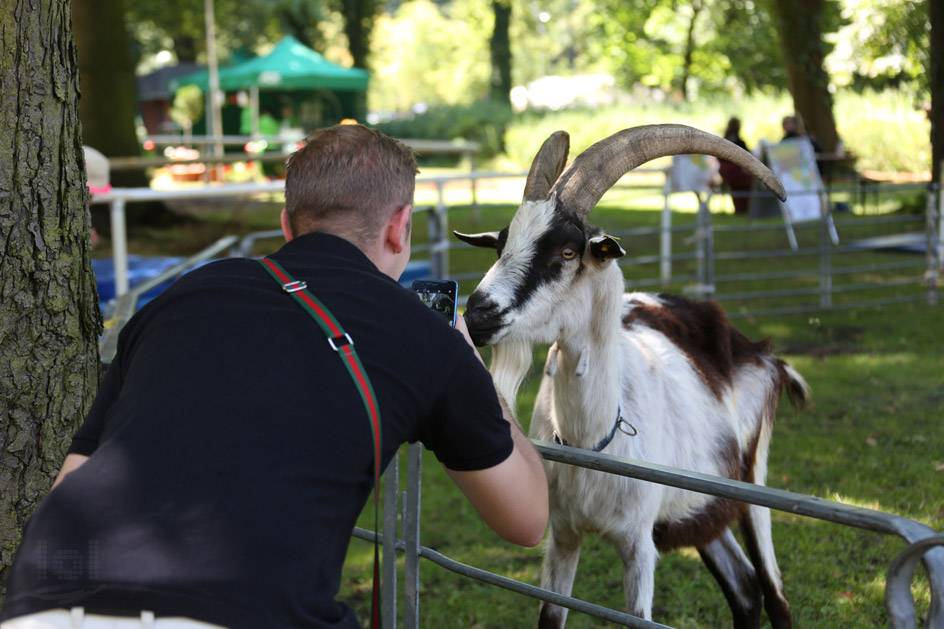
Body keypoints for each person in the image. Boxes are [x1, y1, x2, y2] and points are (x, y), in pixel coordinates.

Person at [1, 124, 548, 629]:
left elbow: (73, 476)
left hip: (44, 597)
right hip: (238, 607)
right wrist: (476, 374)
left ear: (287, 225)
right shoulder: (425, 337)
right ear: (400, 227)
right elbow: (527, 520)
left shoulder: (182, 296)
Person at [718, 117, 753, 214]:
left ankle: (741, 207)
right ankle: (744, 207)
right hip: (734, 171)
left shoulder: (724, 140)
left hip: (724, 171)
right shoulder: (739, 142)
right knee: (748, 180)